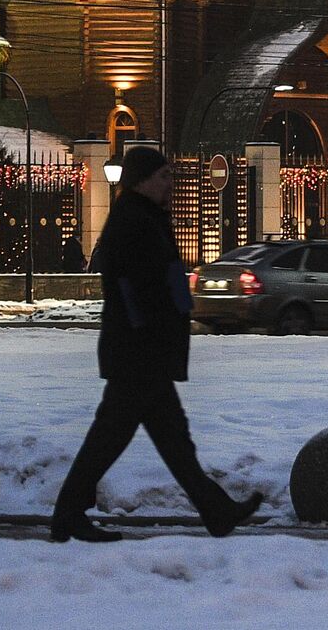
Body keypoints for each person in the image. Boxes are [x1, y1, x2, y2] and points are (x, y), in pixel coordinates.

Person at [52, 146, 262, 543]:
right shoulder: (133, 221)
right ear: (143, 180)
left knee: (170, 438)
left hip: (144, 350)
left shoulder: (144, 217)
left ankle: (217, 511)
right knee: (115, 437)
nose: (170, 183)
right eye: (164, 176)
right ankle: (67, 514)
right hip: (139, 352)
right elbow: (129, 287)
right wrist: (149, 329)